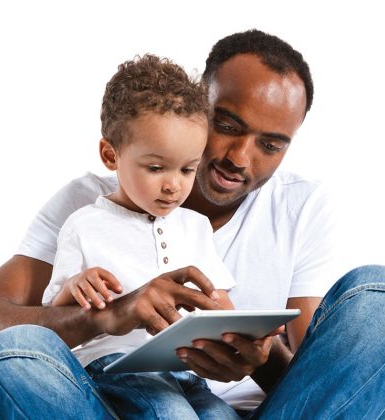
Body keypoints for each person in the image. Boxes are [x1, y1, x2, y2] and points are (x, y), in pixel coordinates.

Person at [0, 29, 385, 418]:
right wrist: (107, 315)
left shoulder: (298, 206)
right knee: (9, 354)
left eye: (271, 144)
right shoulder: (89, 204)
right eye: (227, 125)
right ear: (197, 108)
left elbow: (322, 387)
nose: (239, 158)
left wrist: (257, 362)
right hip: (114, 405)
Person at [40, 53, 241, 419]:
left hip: (186, 369)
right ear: (110, 155)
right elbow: (55, 311)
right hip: (117, 365)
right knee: (171, 415)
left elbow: (218, 300)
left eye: (187, 169)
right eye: (155, 168)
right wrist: (78, 284)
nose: (173, 185)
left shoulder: (194, 226)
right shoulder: (84, 224)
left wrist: (240, 329)